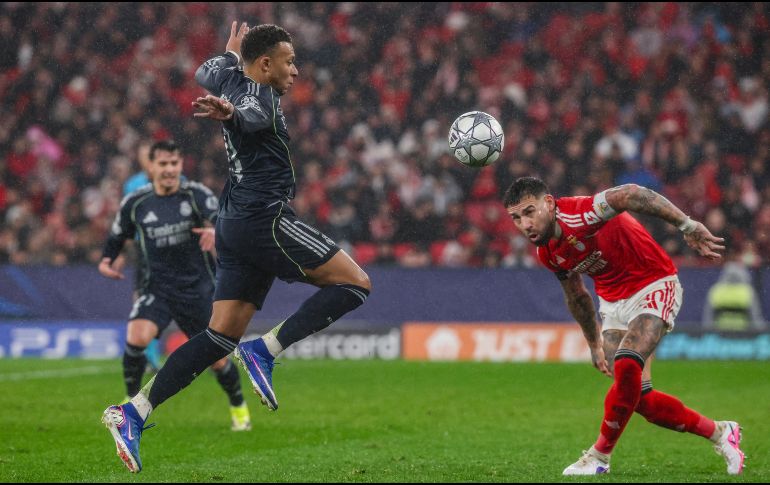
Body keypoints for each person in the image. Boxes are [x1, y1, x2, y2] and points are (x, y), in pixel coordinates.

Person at [101, 23, 371, 473]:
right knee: (356, 284)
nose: (296, 70)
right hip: (264, 220)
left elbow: (207, 74)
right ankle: (265, 349)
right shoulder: (260, 95)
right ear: (265, 64)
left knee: (217, 336)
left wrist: (228, 60)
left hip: (231, 223)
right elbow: (249, 115)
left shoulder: (234, 77)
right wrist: (230, 112)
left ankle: (134, 411)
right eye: (289, 61)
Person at [502, 177, 744, 476]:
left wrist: (687, 225)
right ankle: (722, 432)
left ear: (549, 203)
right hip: (613, 305)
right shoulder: (548, 253)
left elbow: (632, 193)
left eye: (529, 211)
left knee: (628, 362)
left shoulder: (582, 213)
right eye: (516, 218)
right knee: (640, 400)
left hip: (654, 283)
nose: (524, 224)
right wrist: (593, 343)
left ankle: (599, 456)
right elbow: (577, 296)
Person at [99, 140, 252, 461]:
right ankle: (132, 407)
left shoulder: (195, 195)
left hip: (197, 292)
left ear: (180, 166)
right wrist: (106, 259)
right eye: (163, 164)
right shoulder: (137, 202)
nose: (169, 170)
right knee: (136, 337)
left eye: (174, 164)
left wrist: (216, 232)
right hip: (157, 288)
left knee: (218, 361)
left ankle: (238, 406)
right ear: (151, 167)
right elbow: (118, 232)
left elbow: (224, 217)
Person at [122, 139, 163, 373]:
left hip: (174, 249)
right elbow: (127, 217)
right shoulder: (133, 184)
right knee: (143, 300)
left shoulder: (174, 179)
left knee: (186, 298)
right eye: (144, 156)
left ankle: (211, 352)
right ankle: (150, 356)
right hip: (144, 249)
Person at [703, 261, 766, 331]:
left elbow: (708, 317)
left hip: (720, 336)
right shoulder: (747, 291)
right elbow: (755, 317)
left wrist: (709, 333)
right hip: (743, 335)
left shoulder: (716, 290)